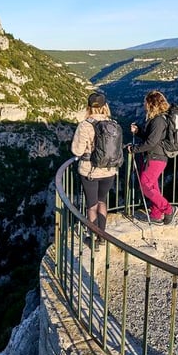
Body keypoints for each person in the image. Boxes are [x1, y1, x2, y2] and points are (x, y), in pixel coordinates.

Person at [70, 92, 119, 251]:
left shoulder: (85, 125)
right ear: (105, 106)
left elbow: (76, 151)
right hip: (109, 170)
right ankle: (102, 237)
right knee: (102, 201)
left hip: (90, 171)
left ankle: (93, 239)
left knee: (91, 206)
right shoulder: (112, 123)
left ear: (89, 107)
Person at [127, 89, 178, 225]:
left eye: (145, 101)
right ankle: (156, 214)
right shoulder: (159, 119)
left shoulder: (158, 120)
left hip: (156, 158)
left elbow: (151, 143)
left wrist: (134, 149)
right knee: (153, 186)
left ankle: (168, 209)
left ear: (151, 104)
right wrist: (139, 132)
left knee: (144, 184)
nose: (144, 104)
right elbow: (151, 138)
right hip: (155, 157)